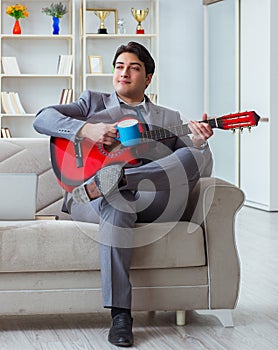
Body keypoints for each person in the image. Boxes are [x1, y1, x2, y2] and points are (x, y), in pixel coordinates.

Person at [33, 41, 213, 348]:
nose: (124, 73)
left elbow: (197, 170)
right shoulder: (91, 103)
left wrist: (199, 143)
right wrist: (87, 131)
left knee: (190, 156)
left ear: (148, 77)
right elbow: (42, 118)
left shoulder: (170, 118)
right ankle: (120, 316)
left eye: (134, 67)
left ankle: (118, 178)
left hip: (151, 198)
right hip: (90, 199)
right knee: (117, 206)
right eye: (119, 67)